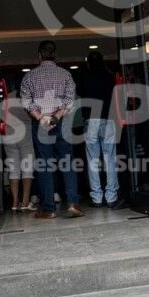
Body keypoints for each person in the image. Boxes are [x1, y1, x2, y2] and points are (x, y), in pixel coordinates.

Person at [20, 40, 83, 219]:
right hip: (61, 122)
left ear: (39, 56)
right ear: (54, 55)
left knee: (44, 164)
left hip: (40, 124)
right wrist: (57, 116)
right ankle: (73, 203)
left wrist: (41, 118)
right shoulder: (65, 74)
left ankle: (49, 208)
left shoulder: (29, 76)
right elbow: (69, 99)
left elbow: (26, 101)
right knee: (67, 161)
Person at [77, 50, 121, 207]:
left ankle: (96, 197)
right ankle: (111, 197)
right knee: (110, 159)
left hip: (91, 120)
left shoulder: (84, 76)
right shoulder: (109, 76)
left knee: (92, 160)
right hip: (108, 120)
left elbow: (79, 92)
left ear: (88, 63)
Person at [1, 96, 35, 212]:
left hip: (8, 132)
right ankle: (25, 202)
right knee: (27, 167)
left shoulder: (6, 98)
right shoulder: (27, 97)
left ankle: (15, 202)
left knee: (13, 169)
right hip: (25, 131)